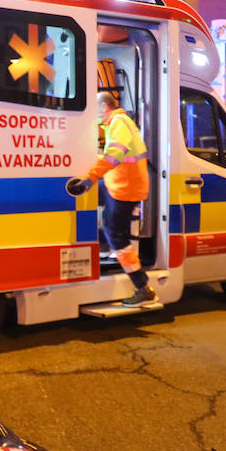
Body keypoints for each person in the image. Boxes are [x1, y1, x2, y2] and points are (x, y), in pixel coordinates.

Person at [72, 91, 158, 308]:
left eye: (95, 111)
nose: (95, 117)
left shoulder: (119, 122)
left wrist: (91, 177)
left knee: (116, 233)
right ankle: (103, 244)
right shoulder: (118, 124)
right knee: (93, 202)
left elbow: (114, 155)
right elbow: (112, 156)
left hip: (124, 189)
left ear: (103, 107)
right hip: (117, 184)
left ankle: (142, 287)